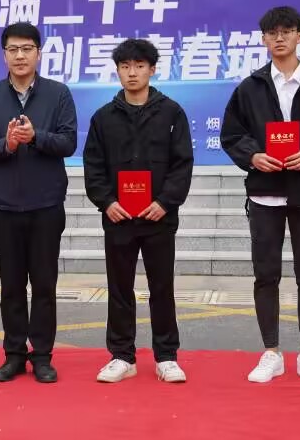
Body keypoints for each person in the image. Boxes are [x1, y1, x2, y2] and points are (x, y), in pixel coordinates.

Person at [221, 6, 300, 385]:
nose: (280, 38)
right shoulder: (250, 87)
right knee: (266, 275)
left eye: (287, 31)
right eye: (272, 33)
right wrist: (252, 156)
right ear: (263, 39)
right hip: (265, 195)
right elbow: (232, 134)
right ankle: (271, 353)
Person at [0, 22, 78, 383]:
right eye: (13, 49)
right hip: (4, 206)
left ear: (38, 53)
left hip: (46, 204)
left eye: (27, 48)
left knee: (44, 285)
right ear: (4, 55)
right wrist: (8, 145)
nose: (20, 56)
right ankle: (14, 354)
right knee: (11, 285)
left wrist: (36, 138)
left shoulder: (58, 94)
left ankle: (42, 356)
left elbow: (68, 142)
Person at [83, 39, 193, 383]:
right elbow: (93, 167)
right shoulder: (103, 118)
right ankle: (122, 356)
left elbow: (182, 164)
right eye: (125, 66)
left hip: (159, 217)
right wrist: (107, 202)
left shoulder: (172, 113)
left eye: (140, 66)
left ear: (152, 69)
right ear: (117, 71)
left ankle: (166, 357)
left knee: (162, 287)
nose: (132, 73)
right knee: (119, 288)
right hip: (119, 218)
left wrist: (165, 202)